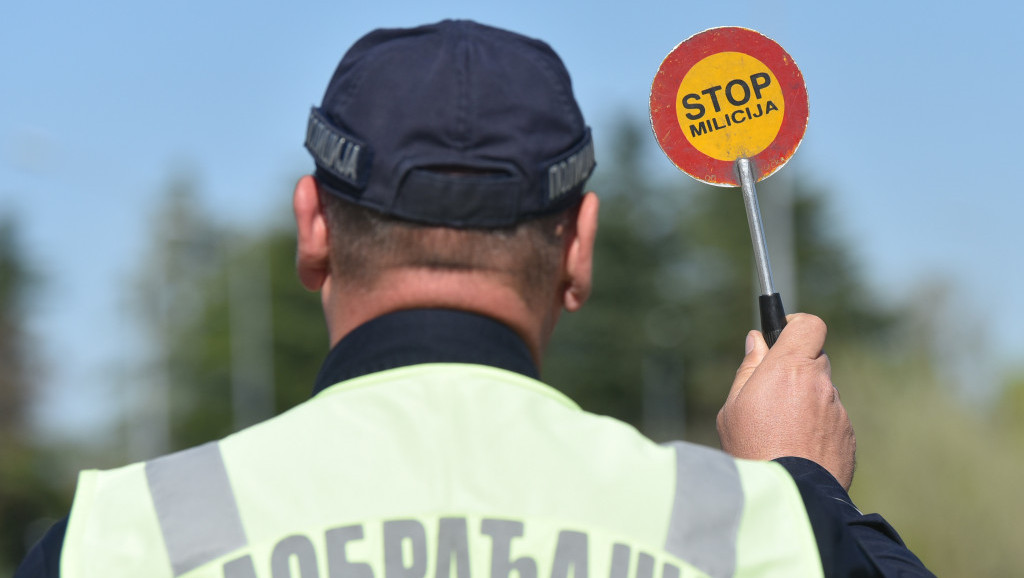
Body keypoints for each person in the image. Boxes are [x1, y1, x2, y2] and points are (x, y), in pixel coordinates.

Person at [16, 19, 933, 578]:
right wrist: (806, 500)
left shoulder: (119, 540)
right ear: (579, 247)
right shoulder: (742, 533)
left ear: (313, 229)